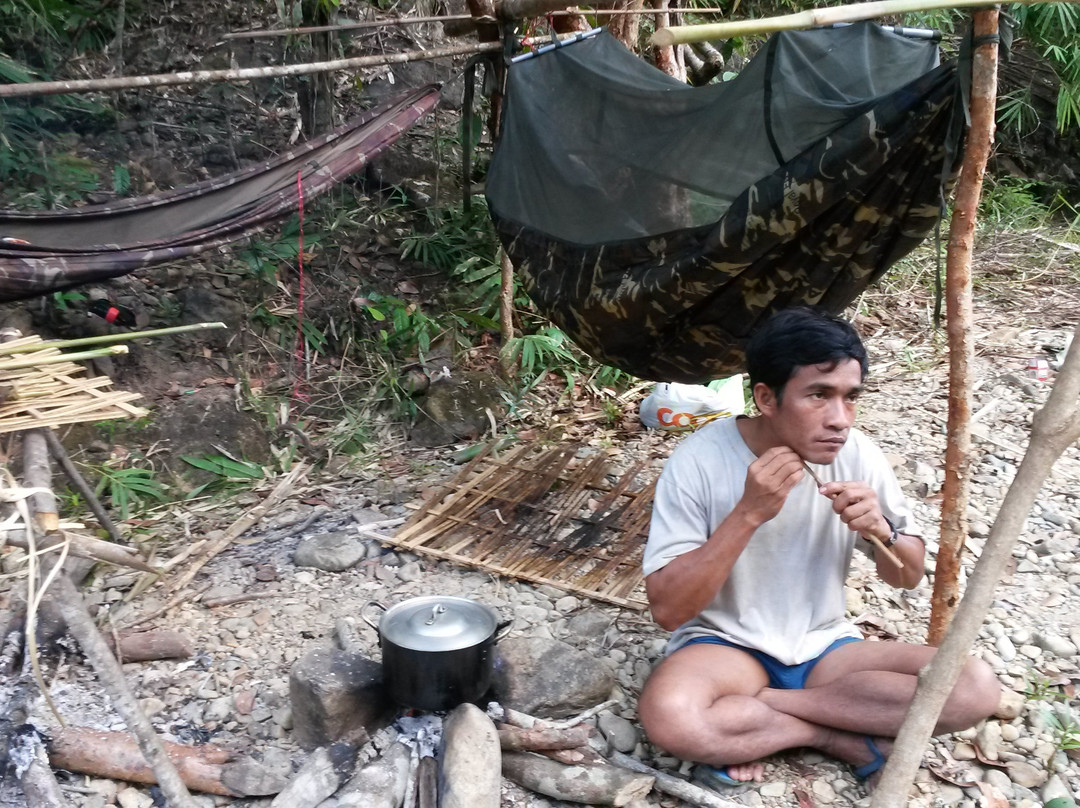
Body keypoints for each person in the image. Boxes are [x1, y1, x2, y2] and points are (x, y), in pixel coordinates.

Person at [637, 307, 1000, 789]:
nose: (839, 420)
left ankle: (771, 715)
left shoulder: (858, 456)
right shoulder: (701, 458)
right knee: (672, 717)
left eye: (851, 399)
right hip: (726, 648)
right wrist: (748, 514)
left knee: (974, 688)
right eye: (818, 396)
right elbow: (667, 609)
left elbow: (907, 576)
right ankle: (842, 736)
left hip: (826, 646)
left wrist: (883, 531)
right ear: (766, 397)